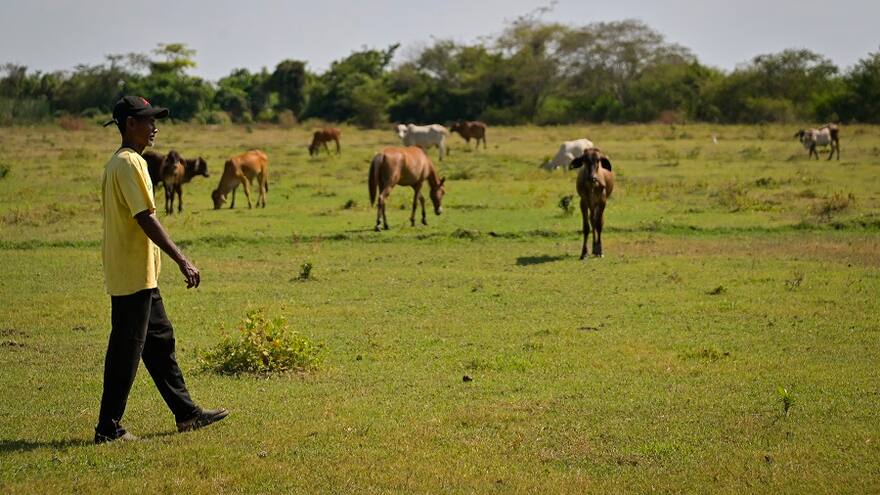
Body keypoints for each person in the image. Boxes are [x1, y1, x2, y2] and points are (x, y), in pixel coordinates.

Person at [95, 95, 228, 444]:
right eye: (147, 120)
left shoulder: (122, 162)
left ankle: (186, 415)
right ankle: (108, 429)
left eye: (156, 120)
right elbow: (146, 217)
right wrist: (182, 259)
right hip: (132, 275)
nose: (155, 126)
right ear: (129, 125)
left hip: (141, 274)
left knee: (159, 342)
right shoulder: (129, 164)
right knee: (126, 351)